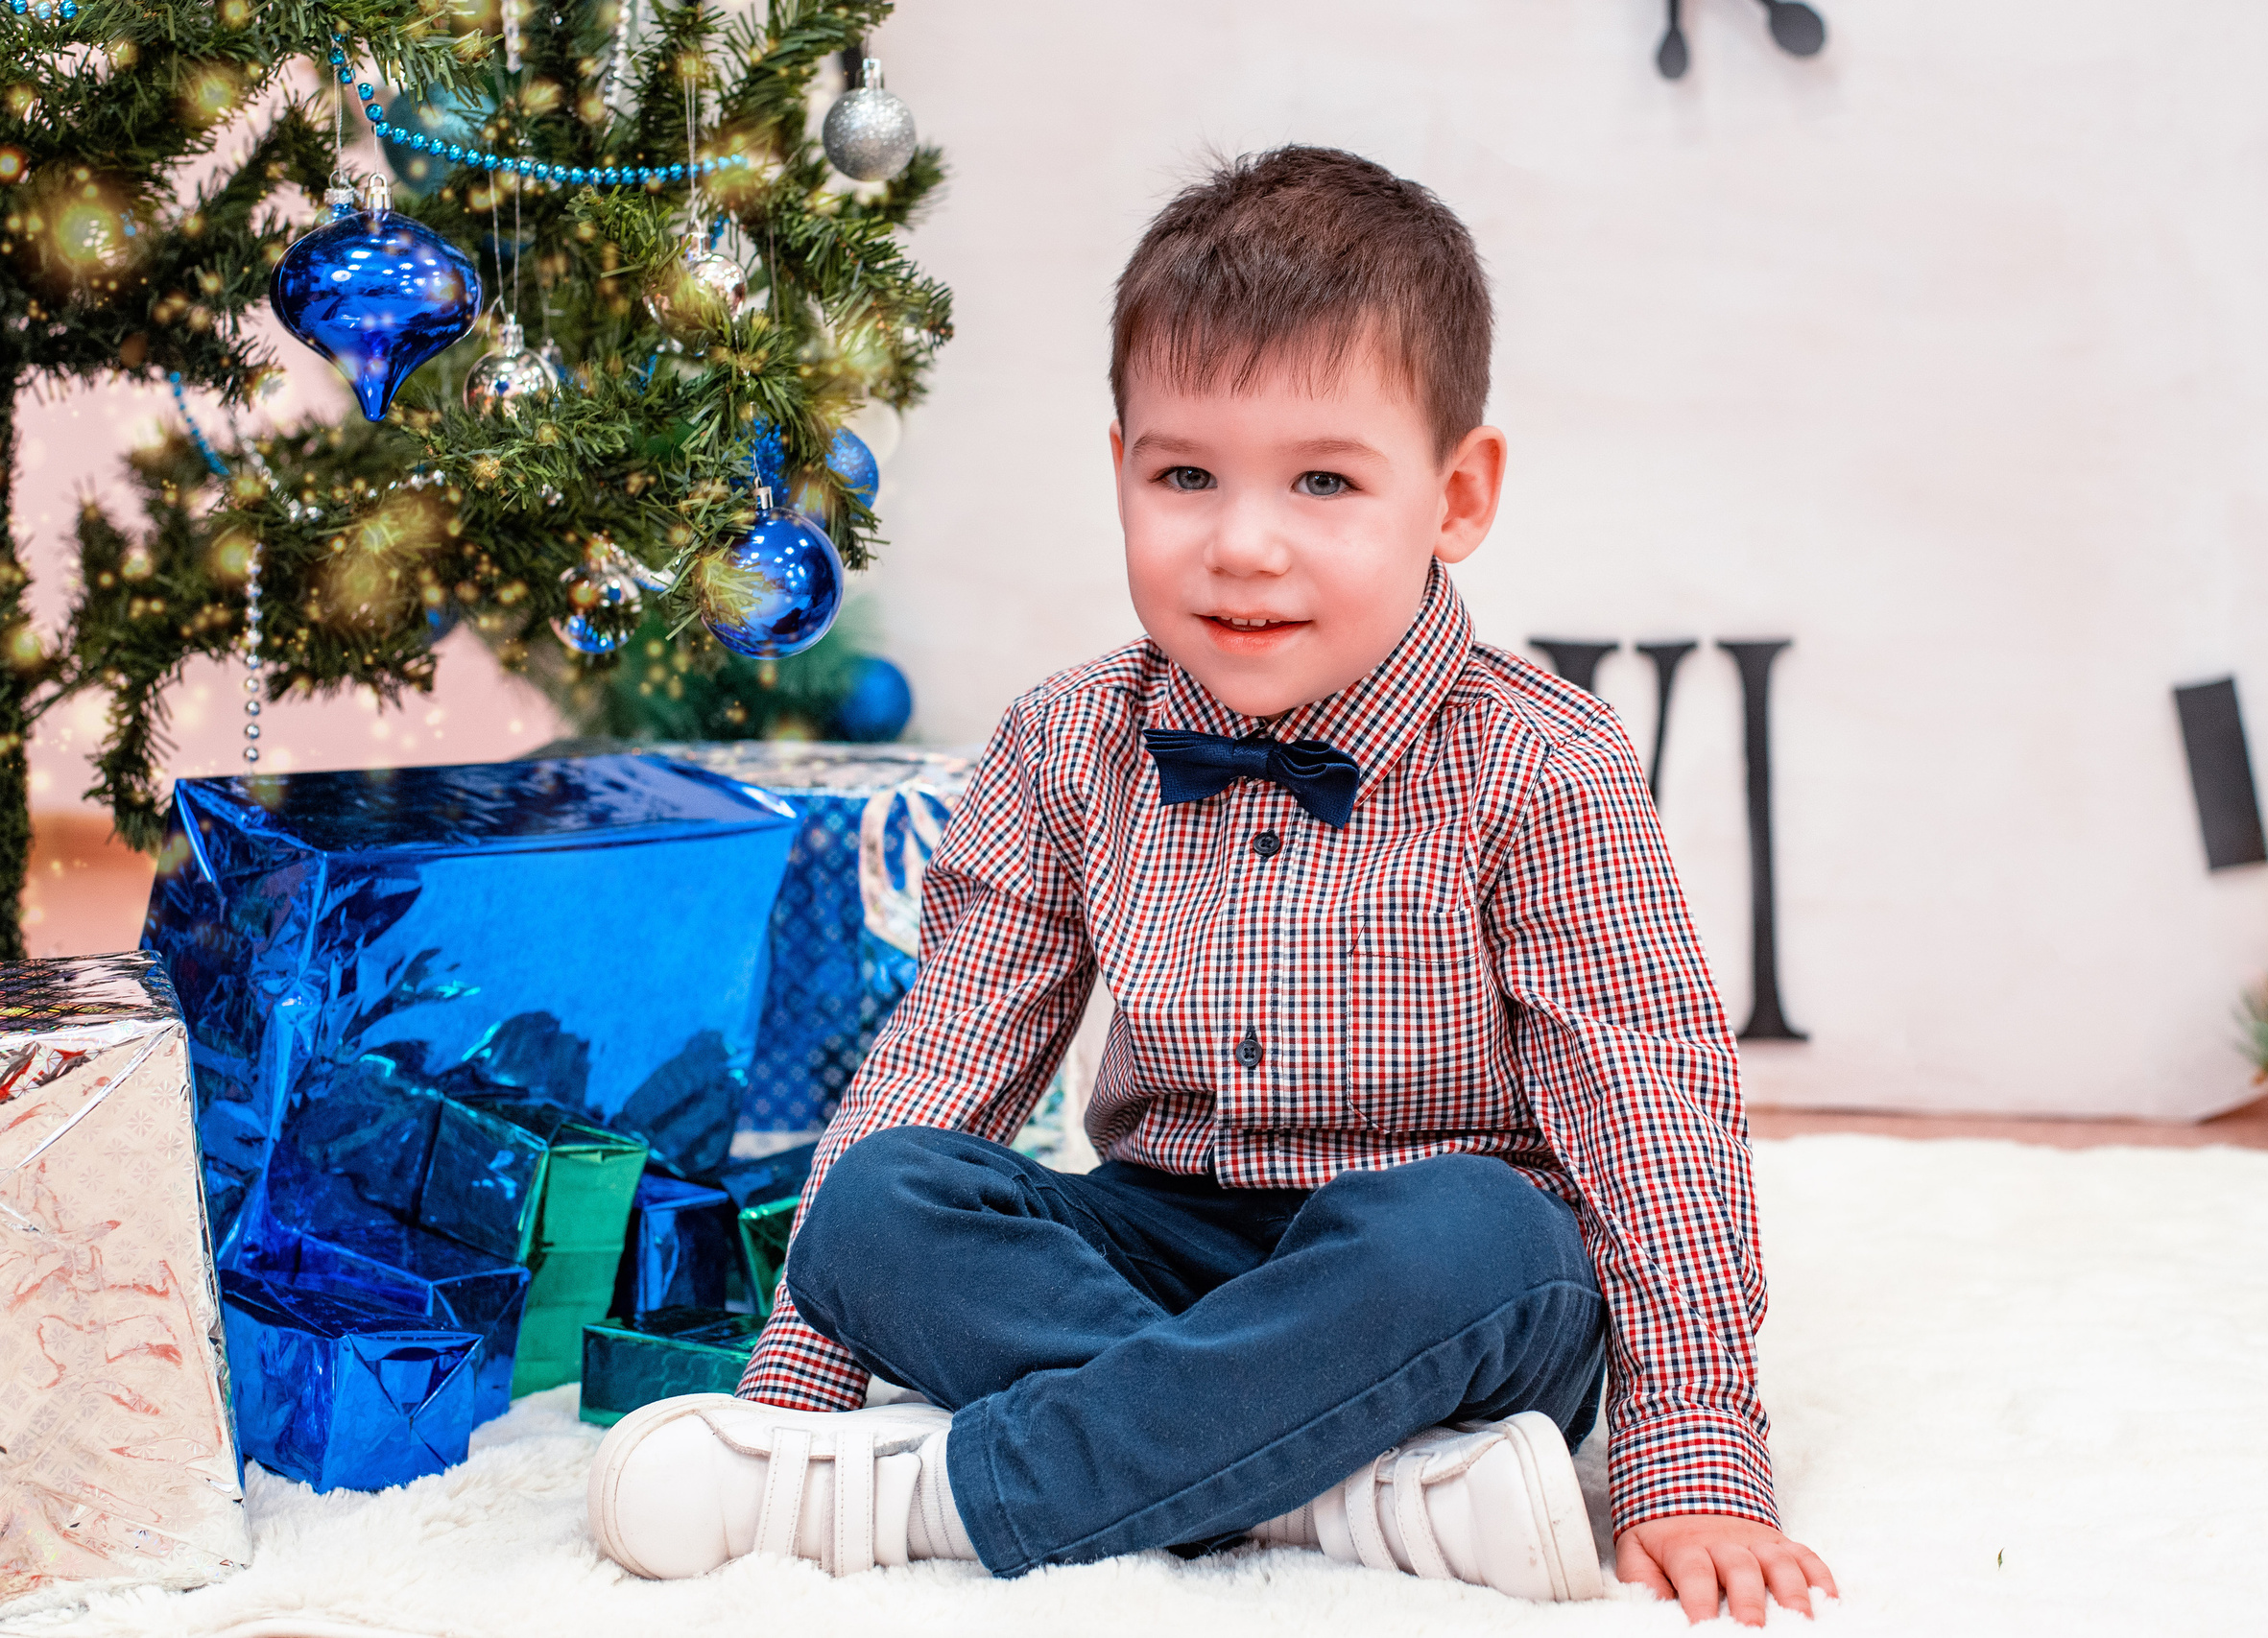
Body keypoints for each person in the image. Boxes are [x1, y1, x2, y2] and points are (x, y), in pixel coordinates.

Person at [585, 145, 1837, 1626]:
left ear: (1458, 494)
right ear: (1117, 463)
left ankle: (935, 1498)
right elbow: (951, 1055)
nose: (1243, 544)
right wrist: (798, 1379)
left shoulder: (1539, 759)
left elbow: (1649, 1104)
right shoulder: (1067, 740)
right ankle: (1335, 1487)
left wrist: (1694, 1452)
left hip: (1426, 1271)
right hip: (1159, 1241)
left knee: (1475, 1240)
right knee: (876, 1204)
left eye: (1324, 480)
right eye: (1185, 475)